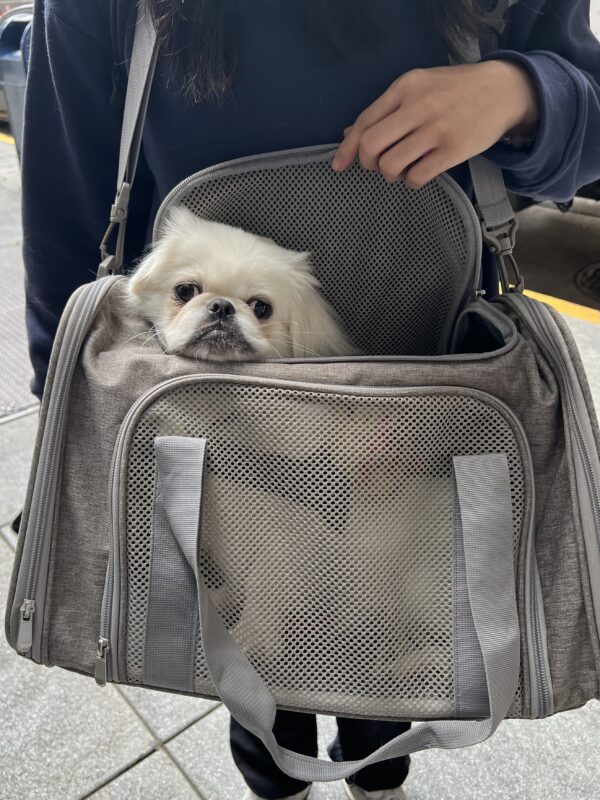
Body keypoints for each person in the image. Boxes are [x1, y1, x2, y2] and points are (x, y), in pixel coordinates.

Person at [20, 1, 600, 799]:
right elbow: (68, 207)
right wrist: (65, 414)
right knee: (245, 647)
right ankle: (275, 778)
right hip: (211, 429)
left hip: (424, 419)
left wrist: (519, 92)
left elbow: (587, 112)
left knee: (393, 626)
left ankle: (379, 772)